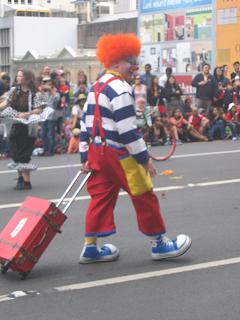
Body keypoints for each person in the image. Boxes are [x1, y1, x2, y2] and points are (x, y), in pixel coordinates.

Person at [79, 33, 191, 264]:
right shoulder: (120, 87)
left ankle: (90, 248)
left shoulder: (96, 86)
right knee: (143, 195)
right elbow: (127, 130)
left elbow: (85, 124)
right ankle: (160, 244)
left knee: (99, 198)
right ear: (116, 61)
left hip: (96, 152)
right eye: (130, 60)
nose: (135, 66)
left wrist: (84, 157)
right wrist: (143, 159)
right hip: (118, 153)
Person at [4, 70, 45, 189]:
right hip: (14, 125)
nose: (17, 77)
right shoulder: (14, 91)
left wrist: (27, 113)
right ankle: (21, 177)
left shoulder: (35, 93)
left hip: (28, 126)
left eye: (20, 75)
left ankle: (26, 182)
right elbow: (6, 104)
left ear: (27, 78)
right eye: (17, 75)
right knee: (15, 153)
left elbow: (40, 109)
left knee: (24, 155)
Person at [40, 76, 61, 156]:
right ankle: (45, 149)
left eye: (49, 84)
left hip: (52, 117)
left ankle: (50, 150)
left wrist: (51, 90)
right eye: (46, 84)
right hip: (43, 116)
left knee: (50, 134)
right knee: (43, 134)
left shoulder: (56, 93)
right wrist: (42, 88)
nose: (47, 85)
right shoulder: (44, 93)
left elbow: (56, 100)